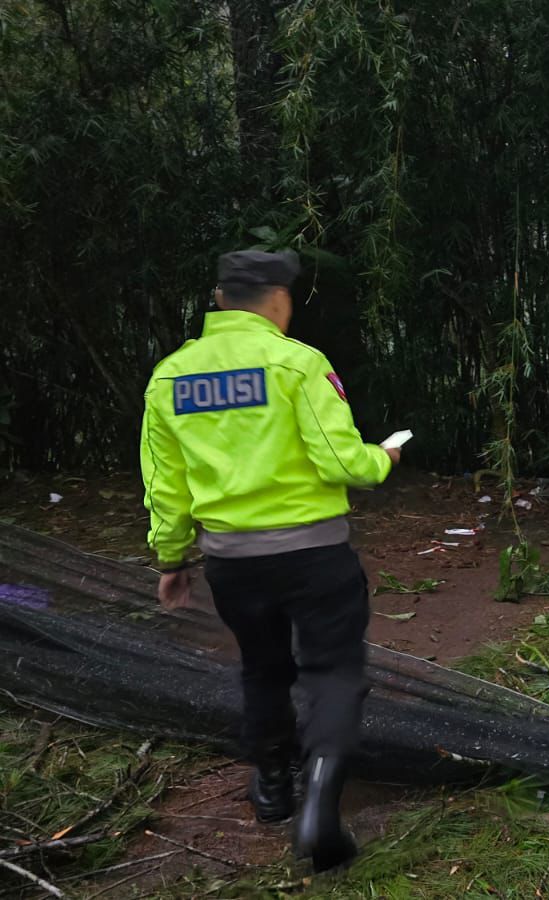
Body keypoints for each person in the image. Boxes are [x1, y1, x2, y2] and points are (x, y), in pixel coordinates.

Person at [139, 250, 396, 872]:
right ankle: (320, 803)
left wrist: (172, 559)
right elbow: (341, 462)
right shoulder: (296, 363)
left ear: (220, 299)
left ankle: (273, 786)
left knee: (262, 667)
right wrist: (383, 457)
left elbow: (166, 488)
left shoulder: (171, 376)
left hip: (232, 561)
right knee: (333, 670)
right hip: (314, 554)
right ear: (278, 301)